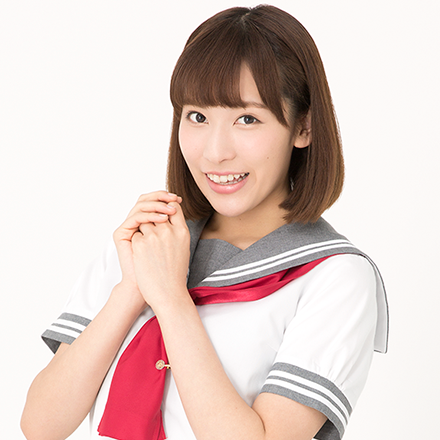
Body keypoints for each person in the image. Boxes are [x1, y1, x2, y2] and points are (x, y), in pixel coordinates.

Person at [21, 5, 388, 440]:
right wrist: (132, 288)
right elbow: (40, 426)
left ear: (303, 127)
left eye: (247, 119)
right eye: (197, 116)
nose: (215, 152)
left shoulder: (335, 276)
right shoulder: (150, 240)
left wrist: (171, 298)